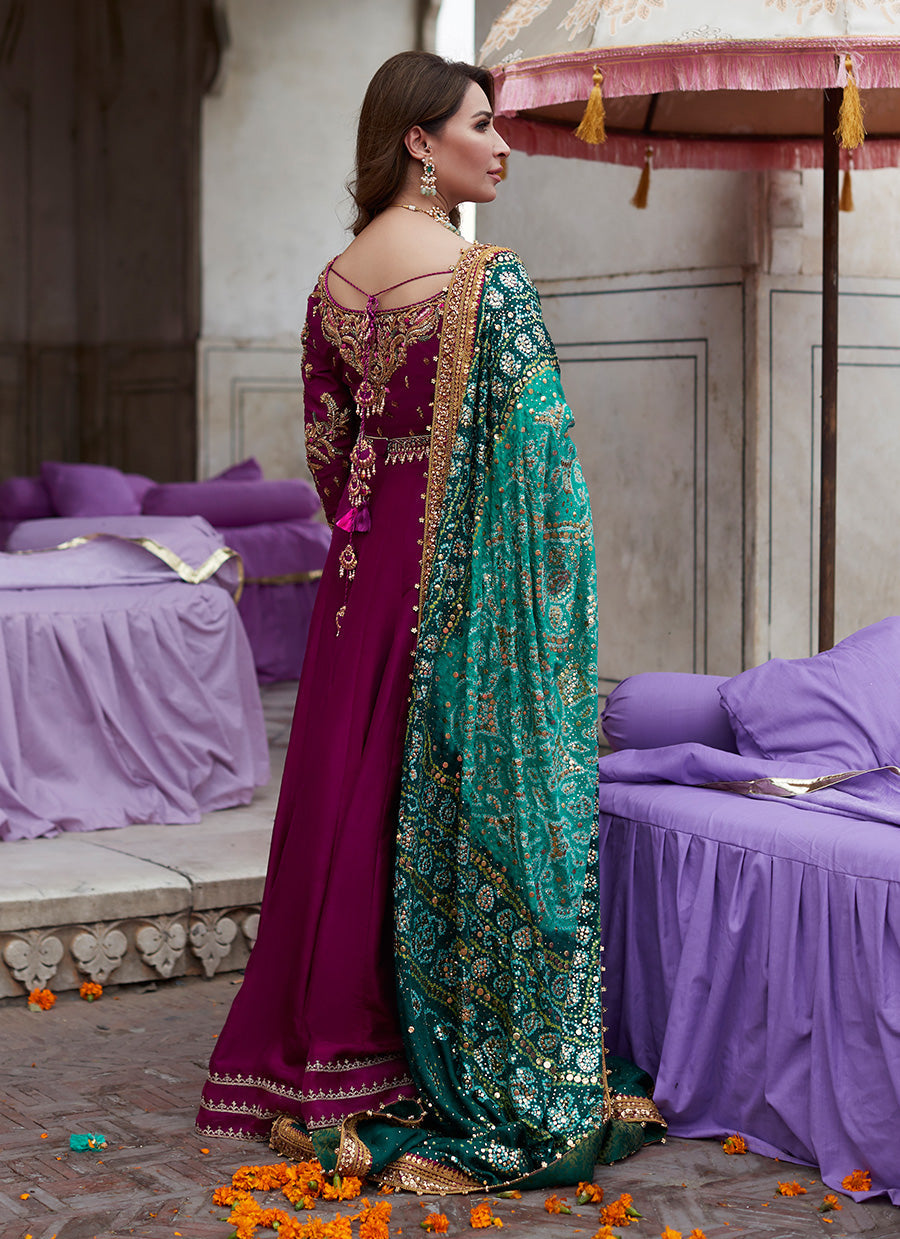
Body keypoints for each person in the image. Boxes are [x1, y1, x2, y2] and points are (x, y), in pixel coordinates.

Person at [198, 49, 664, 1193]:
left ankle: (328, 1061)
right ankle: (437, 1051)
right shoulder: (484, 281)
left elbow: (331, 458)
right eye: (481, 125)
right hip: (457, 581)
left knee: (348, 803)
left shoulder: (332, 284)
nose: (501, 147)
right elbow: (546, 476)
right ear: (420, 140)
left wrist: (377, 527)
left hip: (360, 581)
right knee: (440, 795)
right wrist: (541, 612)